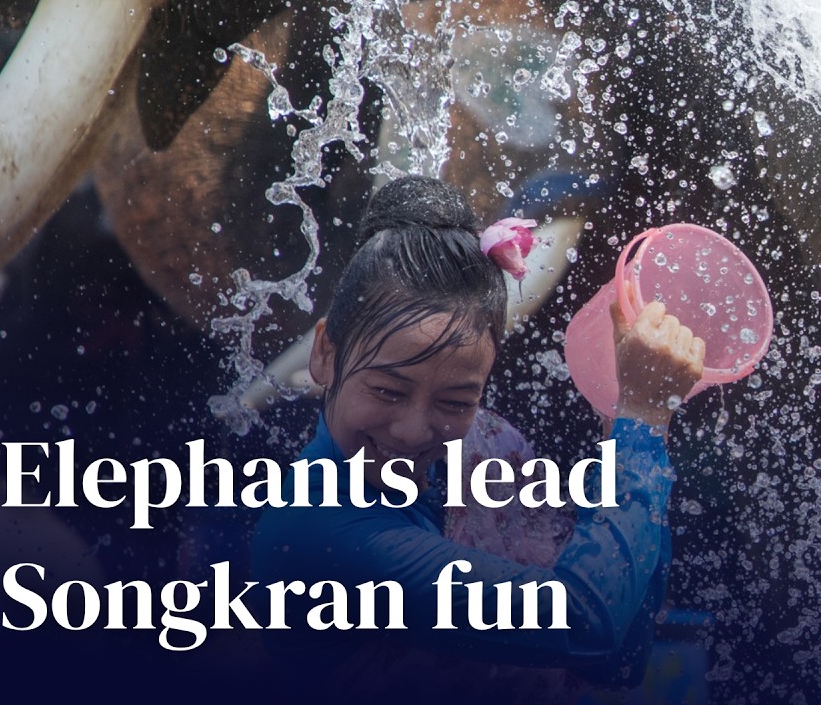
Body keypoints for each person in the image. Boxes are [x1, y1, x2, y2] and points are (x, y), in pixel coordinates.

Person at [251, 175, 705, 702]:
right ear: (326, 352)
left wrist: (625, 433)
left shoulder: (485, 452)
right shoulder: (317, 532)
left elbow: (621, 654)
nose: (414, 430)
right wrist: (642, 423)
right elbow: (586, 625)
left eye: (454, 402)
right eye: (388, 391)